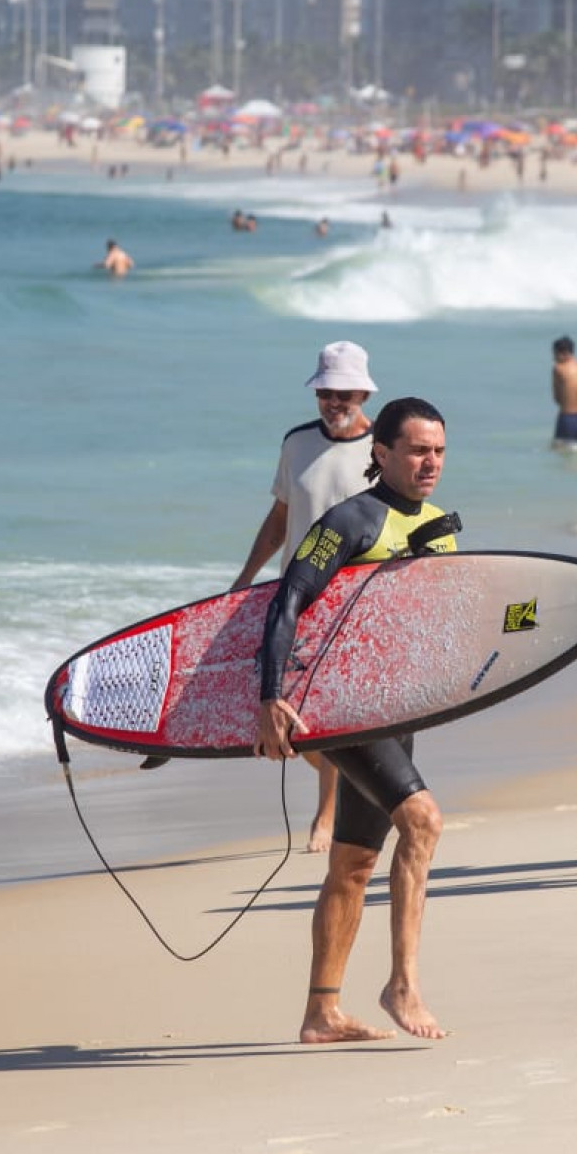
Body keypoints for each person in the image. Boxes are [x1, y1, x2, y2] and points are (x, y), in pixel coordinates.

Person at [256, 397, 458, 1043]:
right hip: (341, 707)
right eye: (418, 450)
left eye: (439, 451)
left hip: (396, 706)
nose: (431, 462)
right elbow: (287, 599)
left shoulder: (438, 527)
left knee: (353, 862)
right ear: (382, 454)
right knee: (422, 819)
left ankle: (321, 1012)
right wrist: (270, 697)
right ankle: (403, 984)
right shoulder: (351, 519)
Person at [232, 341, 381, 853]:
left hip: (355, 599)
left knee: (326, 712)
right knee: (292, 722)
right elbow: (279, 519)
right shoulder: (296, 444)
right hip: (295, 600)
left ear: (363, 391)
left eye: (343, 393)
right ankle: (352, 790)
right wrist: (246, 577)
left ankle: (326, 814)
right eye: (324, 393)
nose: (333, 402)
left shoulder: (383, 448)